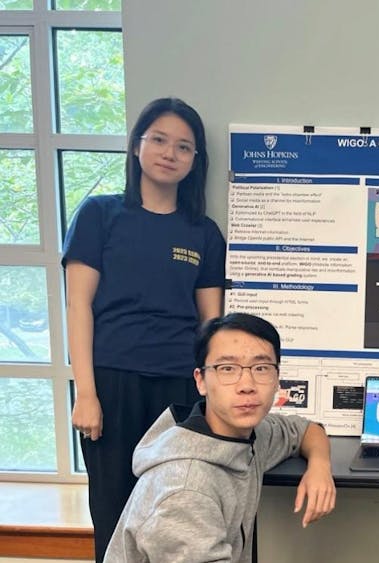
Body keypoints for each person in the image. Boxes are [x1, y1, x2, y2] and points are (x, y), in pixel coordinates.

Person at [63, 97, 226, 562]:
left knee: (176, 511)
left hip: (179, 388)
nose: (169, 153)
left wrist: (211, 400)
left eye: (183, 146)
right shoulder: (99, 215)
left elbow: (210, 326)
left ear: (195, 160)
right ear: (137, 145)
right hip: (113, 385)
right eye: (158, 140)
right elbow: (78, 306)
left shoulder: (203, 233)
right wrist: (86, 393)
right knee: (114, 512)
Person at [104, 313, 336, 562]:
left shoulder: (249, 435)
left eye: (261, 368)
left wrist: (320, 466)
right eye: (227, 369)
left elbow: (305, 430)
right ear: (201, 381)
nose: (246, 385)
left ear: (277, 379)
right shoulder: (186, 491)